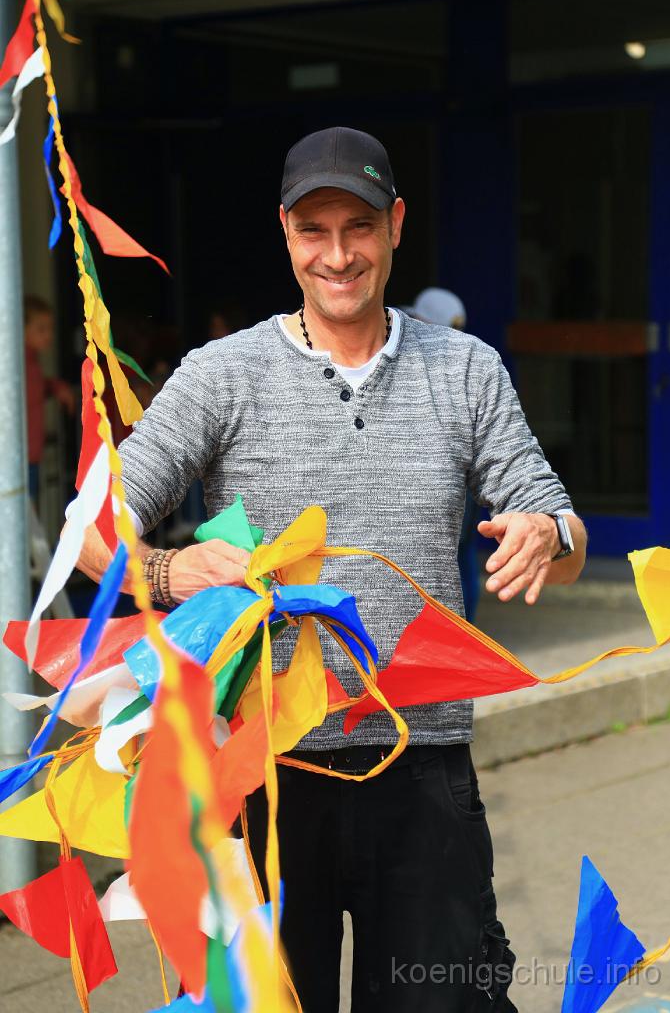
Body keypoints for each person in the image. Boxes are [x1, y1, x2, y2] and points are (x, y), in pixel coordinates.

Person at [77, 126, 586, 1012]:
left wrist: (550, 533)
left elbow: (562, 529)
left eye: (359, 227)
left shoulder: (466, 370)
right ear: (286, 232)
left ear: (396, 225)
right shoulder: (222, 374)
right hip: (261, 771)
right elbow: (92, 526)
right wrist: (166, 572)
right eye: (315, 230)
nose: (339, 255)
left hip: (422, 769)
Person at [411, 287, 481, 620]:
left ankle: (465, 630)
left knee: (457, 555)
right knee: (460, 555)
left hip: (445, 471)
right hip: (453, 470)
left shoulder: (446, 357)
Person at [24, 295, 75, 502]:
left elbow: (35, 387)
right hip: (16, 459)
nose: (49, 335)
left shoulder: (31, 362)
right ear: (21, 329)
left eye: (50, 328)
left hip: (30, 456)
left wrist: (55, 386)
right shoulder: (14, 362)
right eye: (41, 329)